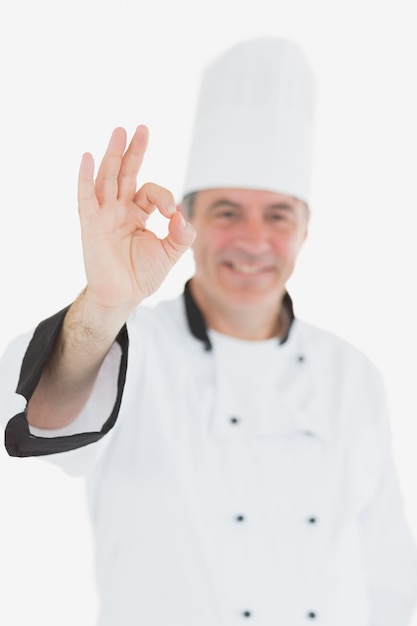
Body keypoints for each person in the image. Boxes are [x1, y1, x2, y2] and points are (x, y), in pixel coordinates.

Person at [1, 37, 417, 626]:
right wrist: (103, 304)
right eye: (227, 212)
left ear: (305, 230)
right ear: (188, 220)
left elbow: (390, 576)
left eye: (278, 215)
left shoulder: (354, 375)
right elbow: (42, 412)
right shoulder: (133, 347)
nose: (253, 240)